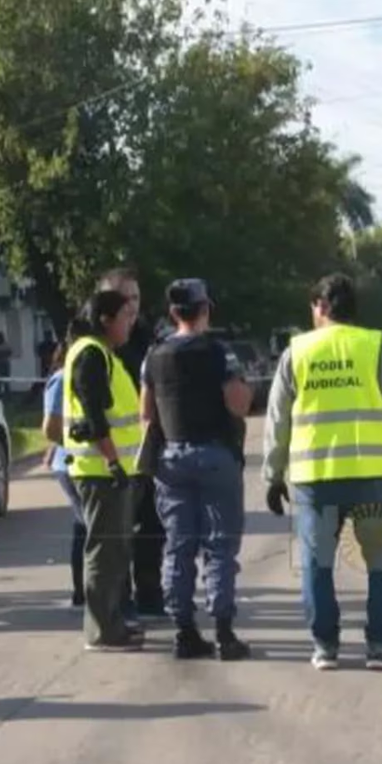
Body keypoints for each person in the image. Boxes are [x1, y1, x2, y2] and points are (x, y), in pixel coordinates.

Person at [262, 272, 382, 672]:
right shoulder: (377, 347)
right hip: (371, 477)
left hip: (315, 480)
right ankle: (379, 647)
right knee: (381, 564)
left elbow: (277, 419)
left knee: (317, 564)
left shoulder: (297, 352)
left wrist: (272, 475)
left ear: (321, 307)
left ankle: (325, 646)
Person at [141, 279, 254, 660]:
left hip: (171, 459)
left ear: (174, 313)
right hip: (216, 456)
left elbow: (146, 415)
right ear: (205, 309)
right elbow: (237, 404)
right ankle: (223, 632)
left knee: (179, 546)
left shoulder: (153, 356)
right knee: (220, 547)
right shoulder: (220, 353)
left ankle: (184, 631)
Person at [63, 289, 142, 652]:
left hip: (110, 469)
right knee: (104, 550)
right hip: (100, 471)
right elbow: (94, 417)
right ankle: (101, 630)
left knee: (114, 551)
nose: (131, 322)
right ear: (106, 320)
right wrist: (112, 460)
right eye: (125, 316)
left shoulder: (102, 354)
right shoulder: (91, 355)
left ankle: (111, 622)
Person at [98, 267, 166, 621]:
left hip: (146, 449)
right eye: (127, 299)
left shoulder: (149, 337)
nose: (134, 307)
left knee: (152, 527)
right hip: (110, 454)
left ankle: (151, 595)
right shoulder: (98, 346)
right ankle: (119, 600)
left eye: (137, 298)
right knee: (118, 532)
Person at [41, 321, 87, 607]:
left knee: (84, 525)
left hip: (77, 460)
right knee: (88, 524)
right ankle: (83, 592)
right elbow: (51, 426)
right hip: (71, 463)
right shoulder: (63, 377)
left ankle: (81, 591)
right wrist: (66, 445)